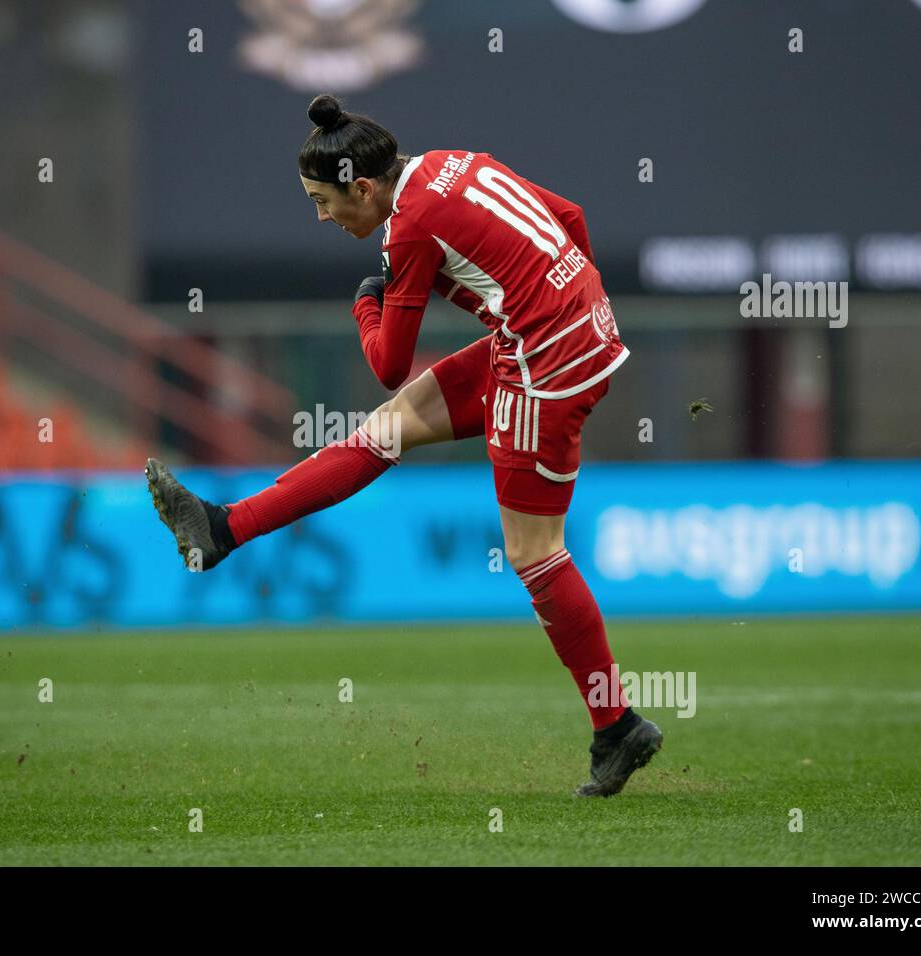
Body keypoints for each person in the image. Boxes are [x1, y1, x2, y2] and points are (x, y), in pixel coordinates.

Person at [146, 93, 662, 797]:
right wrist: (571, 308)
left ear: (362, 185)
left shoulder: (407, 227)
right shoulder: (453, 161)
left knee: (534, 552)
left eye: (324, 201)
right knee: (386, 431)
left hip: (544, 361)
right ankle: (225, 527)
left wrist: (365, 304)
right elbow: (570, 215)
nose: (322, 217)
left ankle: (618, 726)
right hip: (561, 333)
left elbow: (389, 358)